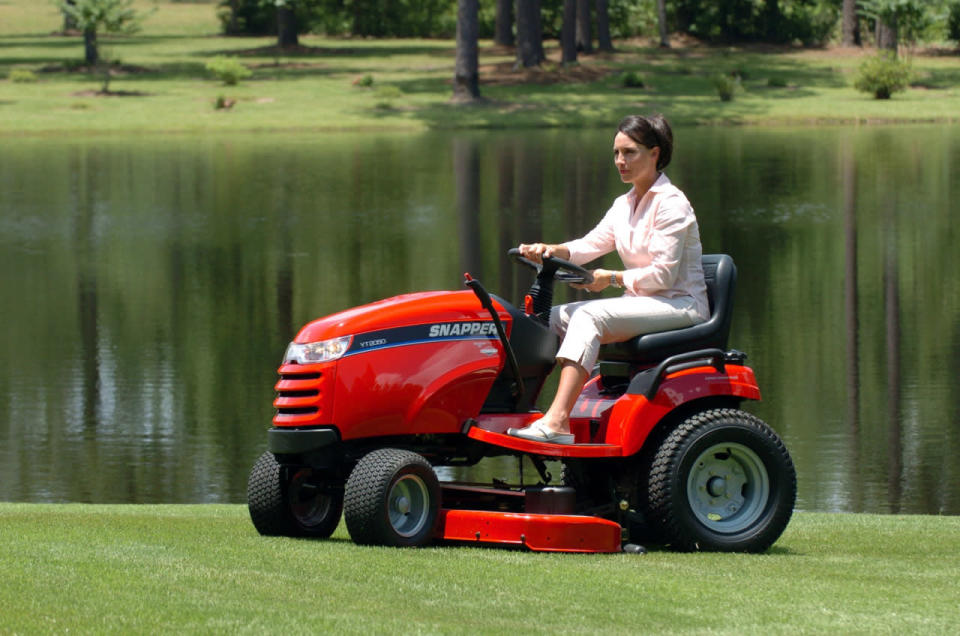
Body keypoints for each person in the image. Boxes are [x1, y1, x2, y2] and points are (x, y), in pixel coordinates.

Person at [507, 114, 709, 445]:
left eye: (629, 152)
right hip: (645, 302)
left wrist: (610, 278)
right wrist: (550, 249)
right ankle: (526, 409)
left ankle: (557, 422)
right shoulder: (624, 203)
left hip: (680, 304)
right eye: (616, 153)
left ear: (654, 153)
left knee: (588, 316)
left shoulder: (672, 203)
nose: (620, 161)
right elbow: (589, 245)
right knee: (547, 319)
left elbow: (663, 276)